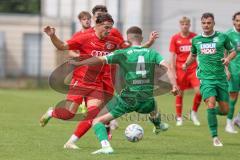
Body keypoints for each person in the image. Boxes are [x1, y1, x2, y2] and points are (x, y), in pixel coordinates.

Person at [69, 26, 179, 154]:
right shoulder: (152, 53)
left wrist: (81, 62)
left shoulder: (123, 53)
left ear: (127, 39)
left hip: (129, 99)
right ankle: (158, 124)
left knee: (97, 121)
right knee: (153, 105)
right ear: (141, 38)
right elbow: (168, 67)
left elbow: (100, 60)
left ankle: (106, 146)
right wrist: (174, 85)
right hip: (146, 98)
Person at [63, 5, 159, 149]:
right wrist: (78, 58)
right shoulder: (83, 35)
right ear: (95, 19)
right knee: (87, 113)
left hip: (107, 76)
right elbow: (68, 49)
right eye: (98, 16)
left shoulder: (113, 36)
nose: (105, 24)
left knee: (101, 110)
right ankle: (99, 132)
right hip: (84, 78)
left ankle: (96, 136)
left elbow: (131, 51)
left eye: (105, 15)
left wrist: (148, 44)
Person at [40, 13, 123, 149]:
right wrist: (52, 35)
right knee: (68, 114)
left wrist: (148, 44)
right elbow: (61, 46)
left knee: (93, 114)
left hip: (97, 84)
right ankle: (51, 113)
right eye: (106, 27)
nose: (109, 31)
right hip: (81, 81)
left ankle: (70, 142)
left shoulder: (113, 42)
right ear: (97, 25)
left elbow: (131, 50)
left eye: (111, 28)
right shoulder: (84, 38)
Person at [183, 13, 236, 147]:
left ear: (213, 23)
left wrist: (228, 59)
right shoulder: (196, 40)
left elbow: (233, 51)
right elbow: (193, 55)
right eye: (204, 23)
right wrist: (186, 64)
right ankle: (215, 137)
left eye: (209, 23)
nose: (206, 25)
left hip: (221, 78)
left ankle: (210, 113)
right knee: (211, 103)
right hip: (205, 79)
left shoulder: (222, 37)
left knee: (224, 110)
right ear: (201, 24)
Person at [169, 16, 202, 126]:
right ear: (180, 25)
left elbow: (199, 54)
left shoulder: (195, 37)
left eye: (186, 24)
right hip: (180, 69)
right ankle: (179, 117)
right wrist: (173, 72)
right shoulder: (175, 38)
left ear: (189, 25)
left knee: (200, 91)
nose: (184, 26)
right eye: (182, 24)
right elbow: (172, 56)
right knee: (179, 93)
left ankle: (194, 113)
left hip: (193, 69)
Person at [226, 11, 240, 133]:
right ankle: (229, 123)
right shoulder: (228, 35)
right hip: (234, 70)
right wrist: (226, 70)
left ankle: (238, 119)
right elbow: (224, 54)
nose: (239, 23)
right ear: (233, 21)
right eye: (237, 20)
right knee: (233, 97)